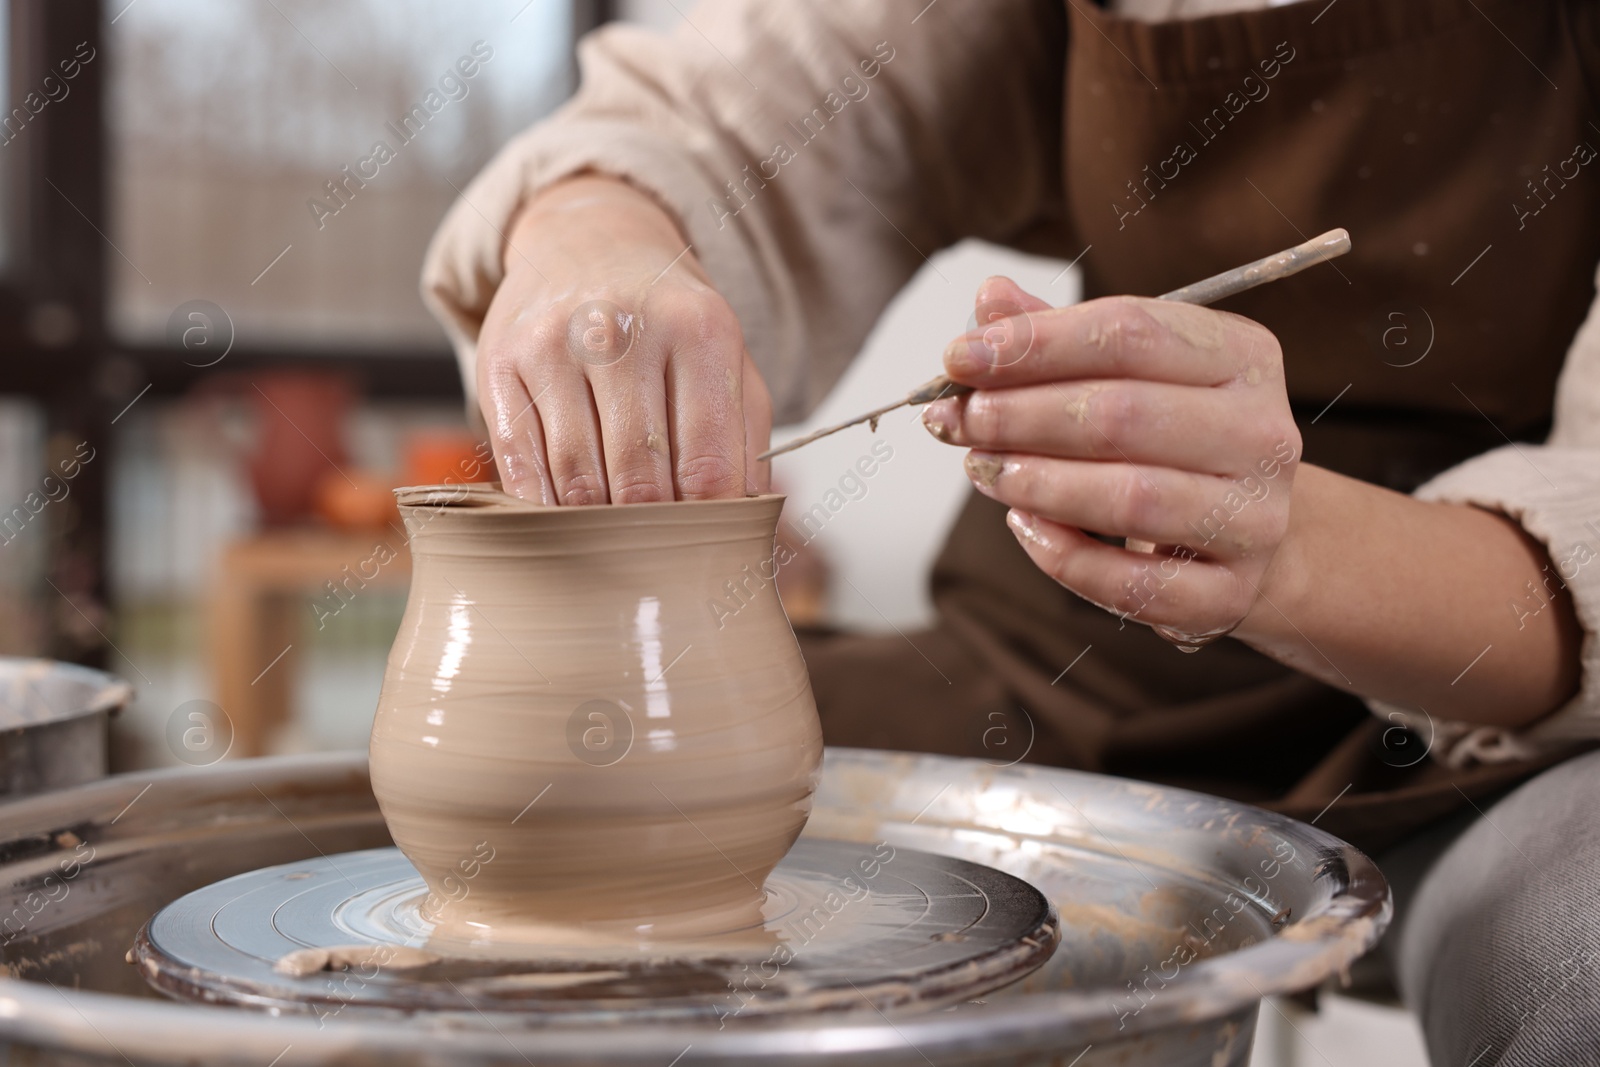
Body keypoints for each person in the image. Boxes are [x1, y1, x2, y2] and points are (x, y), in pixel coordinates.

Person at [421, 2, 1600, 1063]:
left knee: (1580, 966)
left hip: (1484, 732)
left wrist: (1284, 555)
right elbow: (738, 115)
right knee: (570, 806)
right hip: (1069, 670)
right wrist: (598, 234)